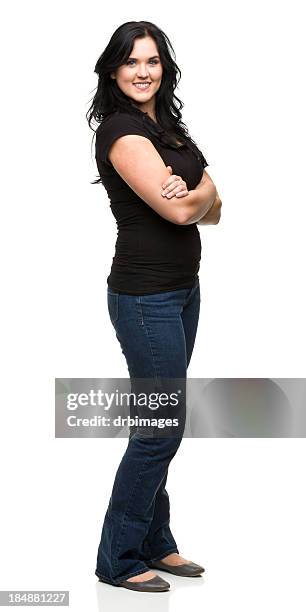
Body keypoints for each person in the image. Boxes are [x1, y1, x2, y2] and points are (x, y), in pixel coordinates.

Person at [86, 20, 222, 593]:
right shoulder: (122, 131)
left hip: (181, 291)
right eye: (132, 61)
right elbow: (182, 212)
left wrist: (198, 195)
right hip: (145, 298)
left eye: (153, 61)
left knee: (160, 418)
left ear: (163, 68)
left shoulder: (165, 126)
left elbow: (216, 204)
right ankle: (118, 559)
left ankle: (156, 543)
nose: (143, 71)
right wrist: (197, 197)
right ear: (114, 70)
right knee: (159, 426)